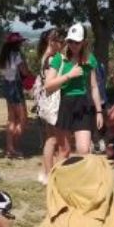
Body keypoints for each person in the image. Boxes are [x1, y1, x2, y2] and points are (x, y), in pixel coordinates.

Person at [44, 23, 104, 157]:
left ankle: (81, 177)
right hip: (64, 103)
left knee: (84, 150)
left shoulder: (90, 59)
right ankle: (59, 177)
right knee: (64, 150)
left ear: (84, 42)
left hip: (82, 104)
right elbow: (48, 85)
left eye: (77, 42)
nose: (73, 45)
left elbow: (94, 87)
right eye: (70, 41)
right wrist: (69, 75)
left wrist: (99, 111)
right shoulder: (60, 58)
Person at [35, 27, 65, 184]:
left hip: (47, 103)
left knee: (50, 138)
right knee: (53, 139)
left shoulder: (46, 57)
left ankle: (46, 172)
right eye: (60, 41)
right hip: (53, 102)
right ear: (52, 41)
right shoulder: (52, 59)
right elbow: (50, 84)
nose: (63, 44)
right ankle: (49, 173)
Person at [0, 32, 32, 158]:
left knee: (11, 118)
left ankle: (9, 147)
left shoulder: (3, 56)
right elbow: (25, 71)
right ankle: (14, 148)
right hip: (15, 86)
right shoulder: (16, 55)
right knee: (22, 118)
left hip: (6, 84)